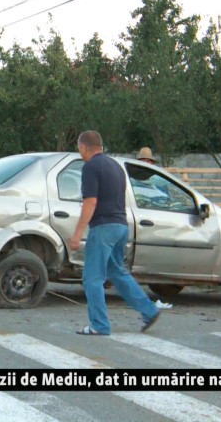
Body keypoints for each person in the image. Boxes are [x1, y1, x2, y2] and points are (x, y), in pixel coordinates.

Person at [70, 130, 159, 335]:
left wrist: (77, 233)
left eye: (79, 148)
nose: (79, 152)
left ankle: (99, 324)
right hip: (121, 226)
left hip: (103, 227)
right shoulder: (116, 166)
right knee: (116, 271)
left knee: (92, 277)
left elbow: (90, 202)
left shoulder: (91, 166)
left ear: (83, 147)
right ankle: (149, 310)